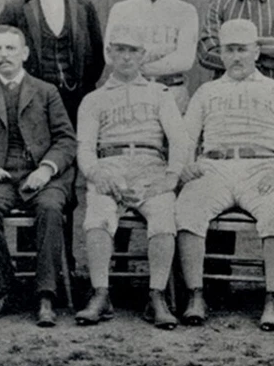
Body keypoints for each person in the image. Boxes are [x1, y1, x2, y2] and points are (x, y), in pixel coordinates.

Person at [176, 19, 274, 330]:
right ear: (220, 54)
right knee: (188, 207)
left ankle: (273, 297)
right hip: (215, 166)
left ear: (256, 52)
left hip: (261, 166)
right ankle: (196, 294)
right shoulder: (207, 91)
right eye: (229, 50)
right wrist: (185, 165)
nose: (236, 57)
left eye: (242, 50)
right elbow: (187, 138)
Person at [0, 25, 77, 327]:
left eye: (10, 48)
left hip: (42, 176)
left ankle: (45, 295)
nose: (4, 55)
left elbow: (66, 140)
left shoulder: (47, 92)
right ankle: (3, 288)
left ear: (24, 54)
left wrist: (46, 169)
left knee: (49, 208)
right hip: (2, 176)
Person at [75, 24, 190, 329]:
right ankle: (101, 294)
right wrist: (96, 172)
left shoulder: (159, 93)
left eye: (133, 51)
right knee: (98, 216)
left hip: (150, 164)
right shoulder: (94, 99)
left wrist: (171, 175)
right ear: (109, 53)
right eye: (120, 50)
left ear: (143, 56)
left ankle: (157, 296)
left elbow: (179, 140)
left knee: (164, 216)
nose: (126, 57)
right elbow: (85, 148)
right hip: (110, 165)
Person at [0, 0, 105, 126]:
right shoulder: (16, 8)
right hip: (33, 103)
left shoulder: (83, 6)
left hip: (76, 100)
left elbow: (97, 55)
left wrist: (81, 87)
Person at [104, 0, 198, 113]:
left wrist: (136, 64)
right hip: (131, 93)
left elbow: (185, 60)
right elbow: (109, 57)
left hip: (172, 92)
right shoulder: (121, 10)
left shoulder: (185, 11)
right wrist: (164, 54)